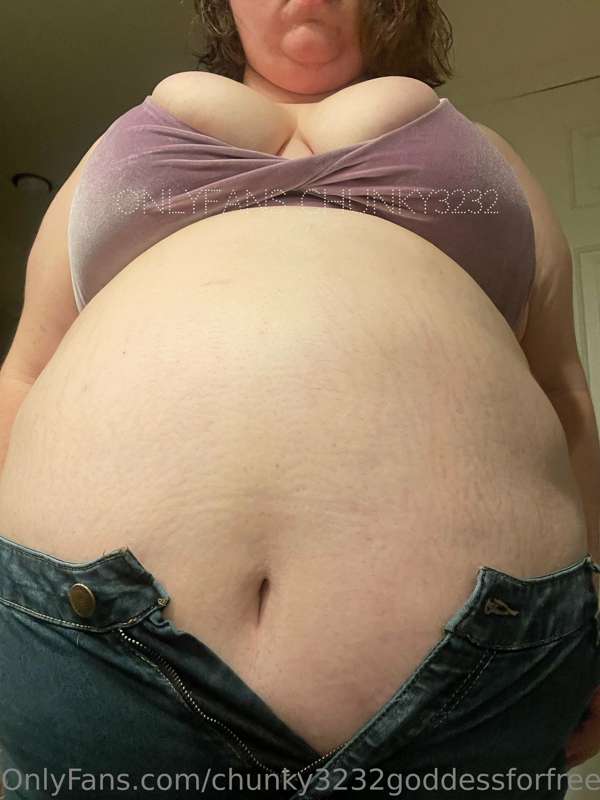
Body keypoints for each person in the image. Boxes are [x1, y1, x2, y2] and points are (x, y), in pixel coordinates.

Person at [0, 1, 599, 796]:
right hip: (87, 653)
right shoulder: (116, 146)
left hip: (482, 680)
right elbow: (24, 375)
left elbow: (563, 391)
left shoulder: (486, 155)